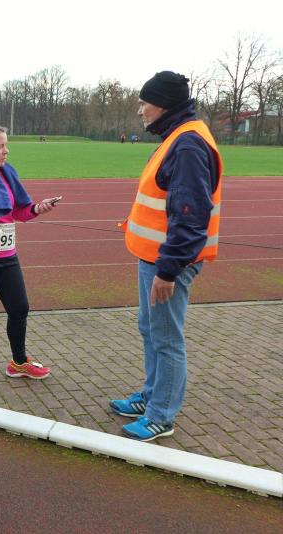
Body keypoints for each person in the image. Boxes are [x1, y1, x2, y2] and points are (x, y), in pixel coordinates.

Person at [110, 71, 222, 442]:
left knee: (166, 338)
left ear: (163, 104)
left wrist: (169, 270)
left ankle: (161, 415)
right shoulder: (178, 136)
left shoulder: (187, 143)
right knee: (151, 329)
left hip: (167, 262)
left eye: (144, 103)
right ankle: (151, 396)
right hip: (155, 257)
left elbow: (191, 214)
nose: (140, 110)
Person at [0, 123, 59, 389]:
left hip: (8, 255)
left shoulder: (7, 173)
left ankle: (18, 362)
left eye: (6, 145)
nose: (6, 151)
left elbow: (17, 210)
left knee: (20, 308)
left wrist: (37, 208)